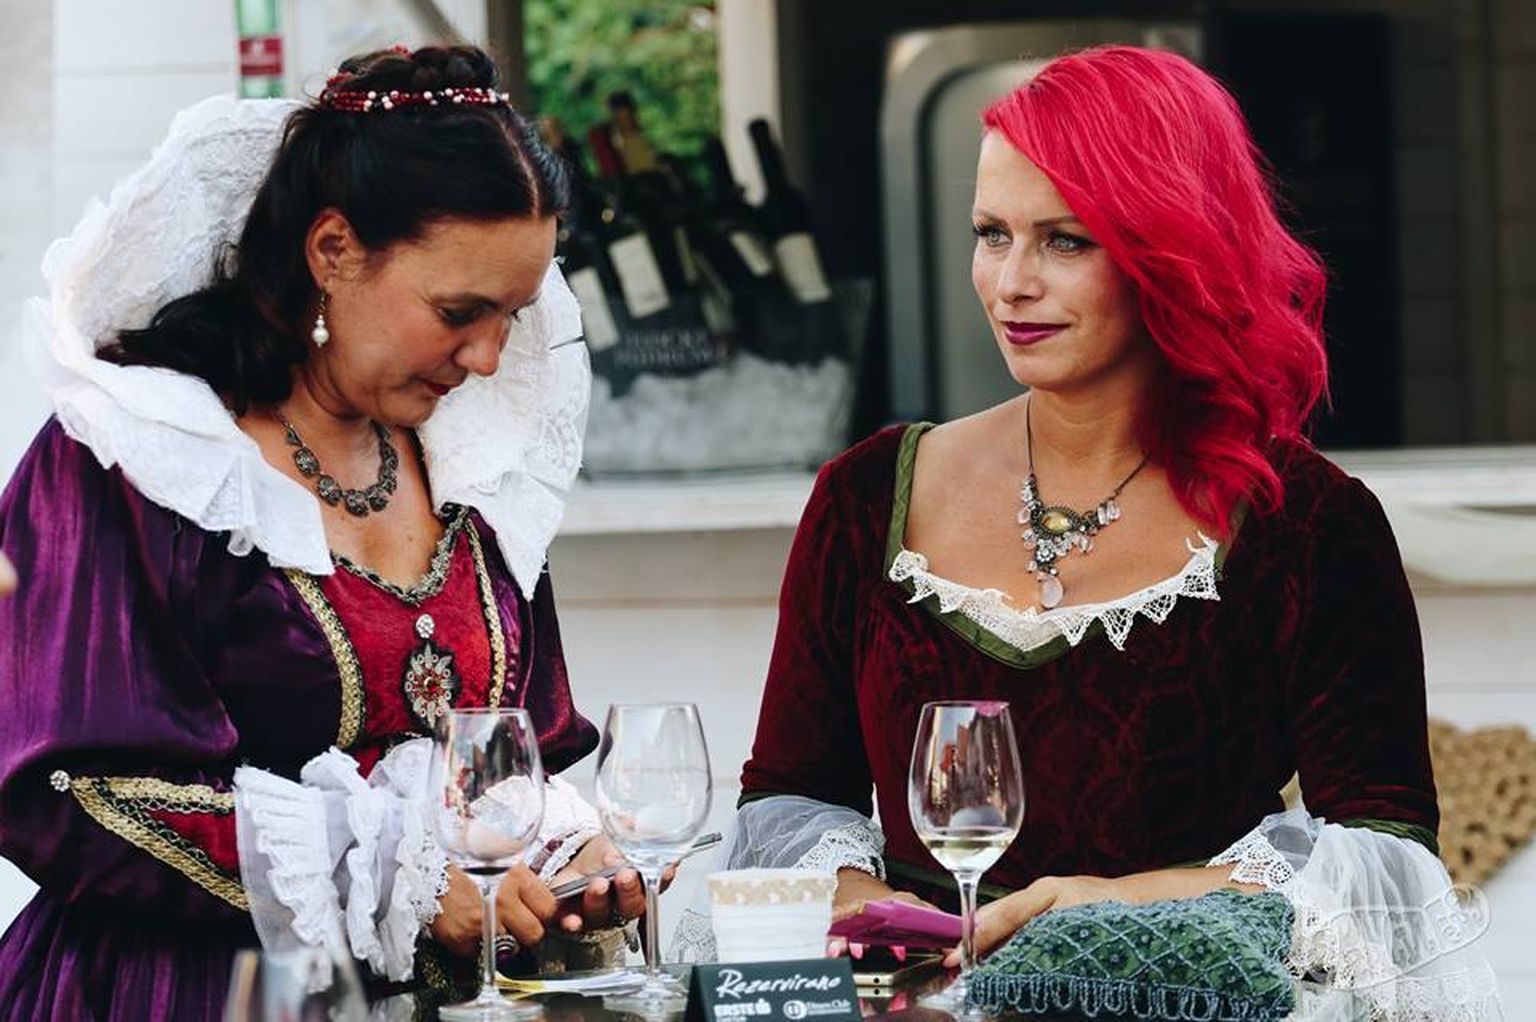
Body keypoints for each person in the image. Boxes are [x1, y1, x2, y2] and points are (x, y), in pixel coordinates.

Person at [718, 46, 1499, 1019]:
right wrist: (897, 927)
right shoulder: (865, 496)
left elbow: (1385, 852)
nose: (1011, 282)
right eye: (991, 234)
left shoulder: (1307, 522)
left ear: (1170, 250)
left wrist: (1098, 906)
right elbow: (789, 801)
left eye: (1066, 241)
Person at [0, 45, 642, 1019]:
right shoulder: (146, 457)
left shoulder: (478, 470)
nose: (486, 356)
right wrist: (392, 876)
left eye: (512, 315)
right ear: (333, 250)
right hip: (186, 994)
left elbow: (513, 752)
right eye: (459, 311)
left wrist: (559, 855)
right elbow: (65, 782)